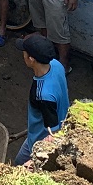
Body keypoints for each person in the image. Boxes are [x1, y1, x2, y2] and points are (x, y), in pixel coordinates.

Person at [15, 33, 70, 166]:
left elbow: (53, 130)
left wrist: (35, 158)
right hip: (62, 116)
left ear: (31, 59)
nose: (23, 55)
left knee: (18, 164)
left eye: (24, 52)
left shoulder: (42, 94)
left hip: (38, 139)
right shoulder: (56, 65)